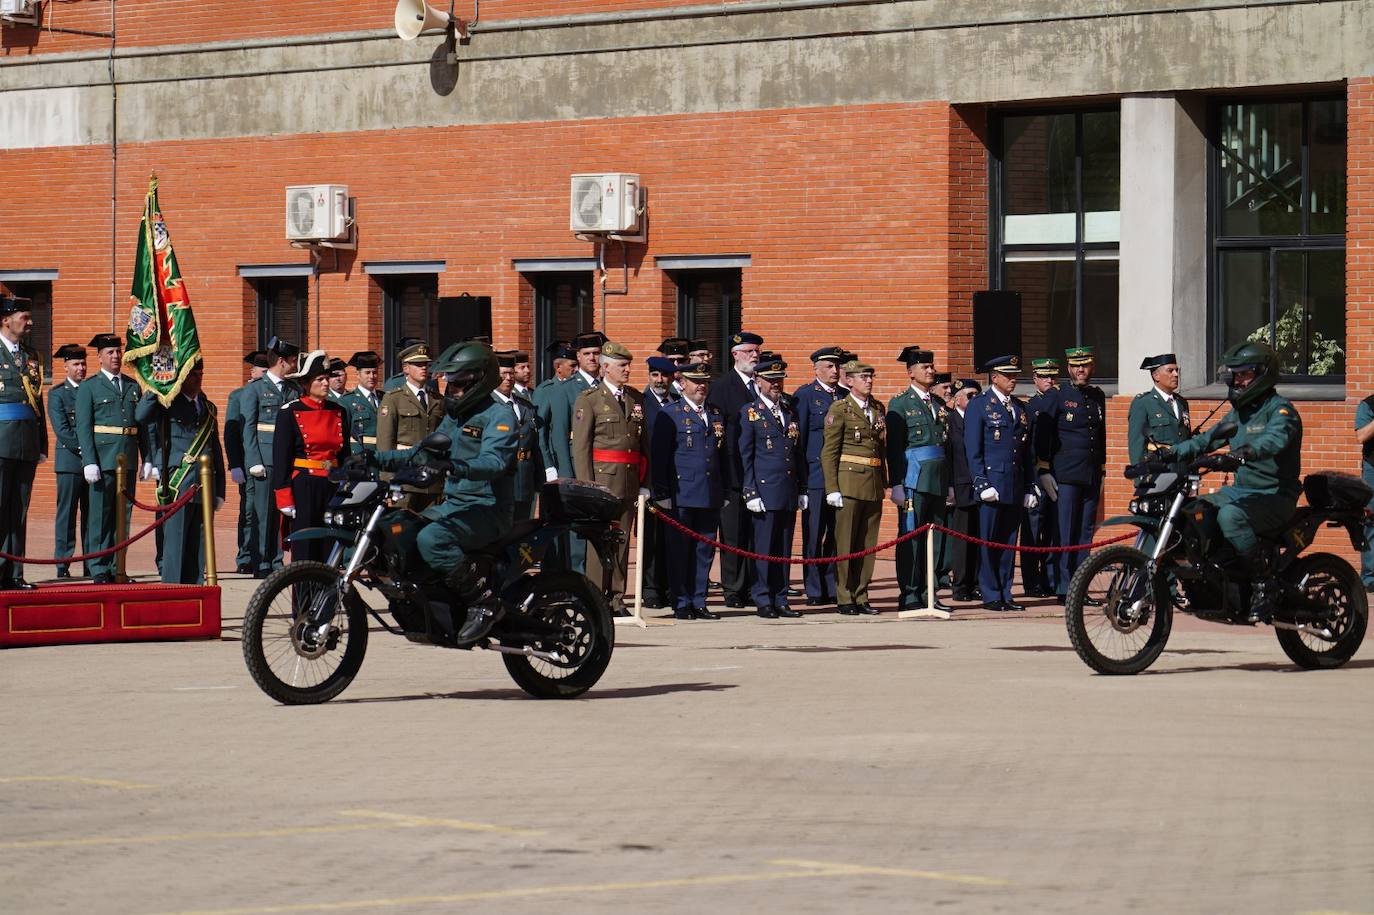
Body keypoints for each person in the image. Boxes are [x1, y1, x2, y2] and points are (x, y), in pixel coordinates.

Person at [1165, 342, 1302, 622]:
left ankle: (1263, 583)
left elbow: (1273, 440)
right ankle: (1221, 573)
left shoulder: (1281, 411)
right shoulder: (1239, 413)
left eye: (1243, 374)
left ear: (1263, 373)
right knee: (1194, 511)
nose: (1237, 380)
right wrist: (1169, 453)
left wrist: (1244, 453)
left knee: (1230, 517)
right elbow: (1207, 439)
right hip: (1242, 492)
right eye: (1234, 375)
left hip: (1275, 495)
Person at [402, 341, 516, 642]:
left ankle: (484, 602)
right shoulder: (456, 417)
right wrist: (371, 460)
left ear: (479, 381)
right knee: (404, 532)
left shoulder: (500, 416)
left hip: (488, 509)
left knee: (432, 538)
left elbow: (494, 462)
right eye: (449, 384)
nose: (451, 390)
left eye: (458, 384)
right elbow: (421, 452)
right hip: (456, 505)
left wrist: (454, 465)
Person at [571, 341, 648, 614]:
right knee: (598, 543)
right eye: (622, 366)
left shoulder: (636, 399)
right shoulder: (589, 399)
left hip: (628, 482)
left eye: (628, 365)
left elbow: (642, 445)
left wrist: (644, 482)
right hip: (601, 482)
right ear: (605, 367)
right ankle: (595, 598)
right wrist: (586, 487)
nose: (627, 370)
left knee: (622, 541)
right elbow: (581, 448)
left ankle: (617, 598)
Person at [135, 360, 226, 583]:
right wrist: (157, 384)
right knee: (175, 544)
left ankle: (195, 593)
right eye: (192, 374)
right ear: (181, 378)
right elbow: (141, 416)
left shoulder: (208, 408)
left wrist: (220, 489)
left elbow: (215, 449)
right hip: (178, 482)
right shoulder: (167, 405)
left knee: (199, 545)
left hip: (204, 484)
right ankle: (172, 593)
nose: (197, 378)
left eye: (200, 374)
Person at [650, 362, 724, 620]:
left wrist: (722, 490)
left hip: (709, 492)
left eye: (705, 382)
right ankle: (681, 602)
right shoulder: (670, 413)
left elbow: (721, 455)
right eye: (696, 381)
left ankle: (699, 600)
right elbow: (659, 457)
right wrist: (662, 493)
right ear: (682, 384)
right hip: (681, 493)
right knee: (680, 551)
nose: (701, 386)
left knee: (704, 551)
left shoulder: (715, 413)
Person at [964, 355, 1038, 612]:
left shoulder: (1020, 407)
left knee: (1008, 542)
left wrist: (1030, 486)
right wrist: (981, 483)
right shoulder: (980, 405)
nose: (1013, 380)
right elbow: (973, 449)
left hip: (1014, 483)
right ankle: (990, 593)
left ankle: (1005, 592)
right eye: (1008, 375)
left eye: (1015, 375)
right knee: (989, 541)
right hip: (992, 483)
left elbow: (1026, 453)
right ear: (994, 377)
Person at [1035, 345, 1107, 599]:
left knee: (1085, 532)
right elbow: (1043, 434)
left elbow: (1100, 435)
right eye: (1076, 366)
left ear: (1092, 367)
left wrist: (1102, 470)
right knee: (1065, 532)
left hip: (1089, 474)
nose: (1080, 370)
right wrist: (1044, 468)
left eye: (1085, 365)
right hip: (1064, 474)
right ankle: (1064, 587)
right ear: (1068, 368)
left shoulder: (1097, 396)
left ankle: (1080, 586)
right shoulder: (1058, 395)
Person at [886, 346, 951, 612]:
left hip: (937, 477)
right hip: (914, 478)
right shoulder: (900, 403)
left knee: (934, 538)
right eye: (925, 367)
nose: (931, 371)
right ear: (910, 372)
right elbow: (894, 447)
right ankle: (910, 592)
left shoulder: (938, 404)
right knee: (912, 536)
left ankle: (929, 590)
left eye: (932, 366)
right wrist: (897, 483)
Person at [270, 351, 351, 564]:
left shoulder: (339, 410)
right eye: (320, 379)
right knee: (305, 546)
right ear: (306, 383)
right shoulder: (289, 412)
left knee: (331, 545)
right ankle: (304, 597)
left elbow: (345, 455)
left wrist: (346, 486)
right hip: (304, 484)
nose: (326, 383)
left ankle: (328, 596)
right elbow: (281, 458)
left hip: (332, 484)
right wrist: (284, 497)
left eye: (327, 378)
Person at [821, 358, 887, 615]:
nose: (868, 381)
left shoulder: (877, 408)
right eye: (863, 377)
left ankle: (861, 594)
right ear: (849, 381)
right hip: (848, 483)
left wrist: (885, 481)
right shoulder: (840, 409)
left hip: (872, 482)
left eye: (870, 377)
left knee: (867, 544)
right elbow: (829, 452)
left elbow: (880, 448)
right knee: (846, 543)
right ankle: (845, 596)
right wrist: (832, 488)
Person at [740, 357, 805, 618]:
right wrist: (750, 491)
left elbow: (796, 453)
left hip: (787, 490)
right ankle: (763, 598)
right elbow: (745, 456)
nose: (776, 384)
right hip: (765, 491)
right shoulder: (750, 412)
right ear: (758, 382)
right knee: (765, 548)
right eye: (770, 380)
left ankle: (781, 597)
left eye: (779, 380)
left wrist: (801, 488)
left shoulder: (789, 411)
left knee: (784, 548)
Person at [75, 333, 141, 585]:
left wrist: (147, 459)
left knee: (122, 516)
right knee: (100, 517)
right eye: (110, 352)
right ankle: (99, 567)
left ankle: (118, 566)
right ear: (99, 357)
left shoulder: (133, 385)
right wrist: (89, 461)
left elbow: (139, 426)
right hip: (102, 461)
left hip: (127, 460)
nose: (115, 356)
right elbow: (83, 427)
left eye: (117, 351)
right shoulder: (89, 388)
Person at [540, 331, 607, 572]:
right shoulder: (565, 389)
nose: (592, 358)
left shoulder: (604, 388)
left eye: (596, 353)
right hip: (574, 467)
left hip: (601, 467)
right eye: (587, 354)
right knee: (577, 534)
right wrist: (563, 472)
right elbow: (558, 435)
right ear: (577, 357)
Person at [707, 331, 764, 608]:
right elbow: (718, 435)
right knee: (733, 535)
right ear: (735, 354)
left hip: (759, 474)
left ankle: (754, 587)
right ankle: (733, 589)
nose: (755, 356)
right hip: (732, 474)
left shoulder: (761, 386)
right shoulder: (721, 387)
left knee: (755, 535)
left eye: (757, 352)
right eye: (750, 351)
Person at [239, 336, 302, 578]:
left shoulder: (293, 389)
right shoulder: (254, 389)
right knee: (262, 514)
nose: (295, 365)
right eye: (293, 361)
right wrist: (253, 460)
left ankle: (276, 561)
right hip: (265, 459)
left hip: (286, 459)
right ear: (283, 362)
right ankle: (261, 561)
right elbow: (249, 427)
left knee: (281, 514)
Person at [793, 345, 847, 606]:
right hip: (815, 476)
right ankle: (814, 589)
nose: (834, 371)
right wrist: (801, 483)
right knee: (814, 534)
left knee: (837, 535)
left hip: (840, 476)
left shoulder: (846, 397)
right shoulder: (805, 396)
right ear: (816, 368)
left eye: (837, 366)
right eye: (828, 366)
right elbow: (799, 440)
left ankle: (831, 585)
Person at [0, 296, 46, 591]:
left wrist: (41, 443)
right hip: (0, 439)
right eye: (24, 317)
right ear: (6, 319)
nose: (30, 323)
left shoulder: (31, 356)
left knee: (19, 508)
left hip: (26, 440)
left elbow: (37, 401)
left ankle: (14, 573)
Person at [376, 341, 445, 511]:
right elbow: (385, 445)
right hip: (405, 479)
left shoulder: (438, 400)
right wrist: (388, 484)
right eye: (418, 364)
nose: (424, 368)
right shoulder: (393, 399)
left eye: (426, 364)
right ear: (406, 369)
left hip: (432, 480)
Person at [640, 355, 682, 609]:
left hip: (675, 481)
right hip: (651, 480)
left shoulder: (677, 403)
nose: (660, 380)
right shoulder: (641, 404)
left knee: (672, 538)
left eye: (664, 376)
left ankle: (668, 586)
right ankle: (651, 588)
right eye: (655, 375)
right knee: (651, 538)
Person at [1019, 358, 1061, 598]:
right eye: (1044, 376)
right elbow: (1027, 446)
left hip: (1057, 473)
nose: (1049, 380)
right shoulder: (1031, 407)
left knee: (1053, 533)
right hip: (1036, 474)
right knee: (1033, 532)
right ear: (1034, 378)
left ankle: (1049, 579)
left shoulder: (1060, 402)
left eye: (1053, 376)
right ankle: (1031, 581)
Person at [49, 343, 89, 580]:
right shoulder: (57, 394)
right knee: (66, 515)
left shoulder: (92, 389)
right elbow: (63, 430)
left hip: (92, 464)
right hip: (70, 461)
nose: (81, 368)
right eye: (76, 364)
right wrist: (87, 450)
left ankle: (91, 563)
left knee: (91, 516)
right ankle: (63, 563)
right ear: (66, 367)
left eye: (83, 363)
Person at [225, 350, 267, 574]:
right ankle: (246, 556)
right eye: (263, 370)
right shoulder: (239, 395)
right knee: (249, 511)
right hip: (247, 463)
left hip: (268, 461)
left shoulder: (274, 393)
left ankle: (263, 555)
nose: (266, 374)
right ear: (252, 371)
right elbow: (232, 432)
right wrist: (235, 464)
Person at [492, 350, 541, 521]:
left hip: (525, 478)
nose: (508, 378)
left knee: (522, 529)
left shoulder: (525, 405)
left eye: (511, 373)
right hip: (500, 478)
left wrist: (540, 480)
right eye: (503, 373)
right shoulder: (487, 405)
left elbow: (534, 446)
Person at [945, 378, 982, 602]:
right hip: (960, 487)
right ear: (957, 399)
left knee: (979, 539)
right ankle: (960, 586)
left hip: (980, 487)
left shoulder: (979, 419)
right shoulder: (949, 420)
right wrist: (949, 486)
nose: (974, 399)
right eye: (970, 395)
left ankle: (976, 584)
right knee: (962, 541)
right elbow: (947, 456)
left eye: (977, 395)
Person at [1127, 353, 1191, 465]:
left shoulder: (1182, 403)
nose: (1176, 374)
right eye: (1170, 371)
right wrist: (1141, 478)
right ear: (1156, 376)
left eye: (1177, 370)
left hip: (1182, 470)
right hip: (1159, 472)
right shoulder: (1143, 403)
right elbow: (1136, 445)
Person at [340, 350, 383, 450]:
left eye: (375, 372)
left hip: (384, 456)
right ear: (358, 375)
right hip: (360, 457)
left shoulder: (385, 398)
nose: (372, 376)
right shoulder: (347, 401)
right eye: (367, 373)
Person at [1356, 385, 1374, 591]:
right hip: (1372, 470)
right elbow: (1361, 436)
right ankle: (1369, 578)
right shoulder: (1367, 405)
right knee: (1371, 521)